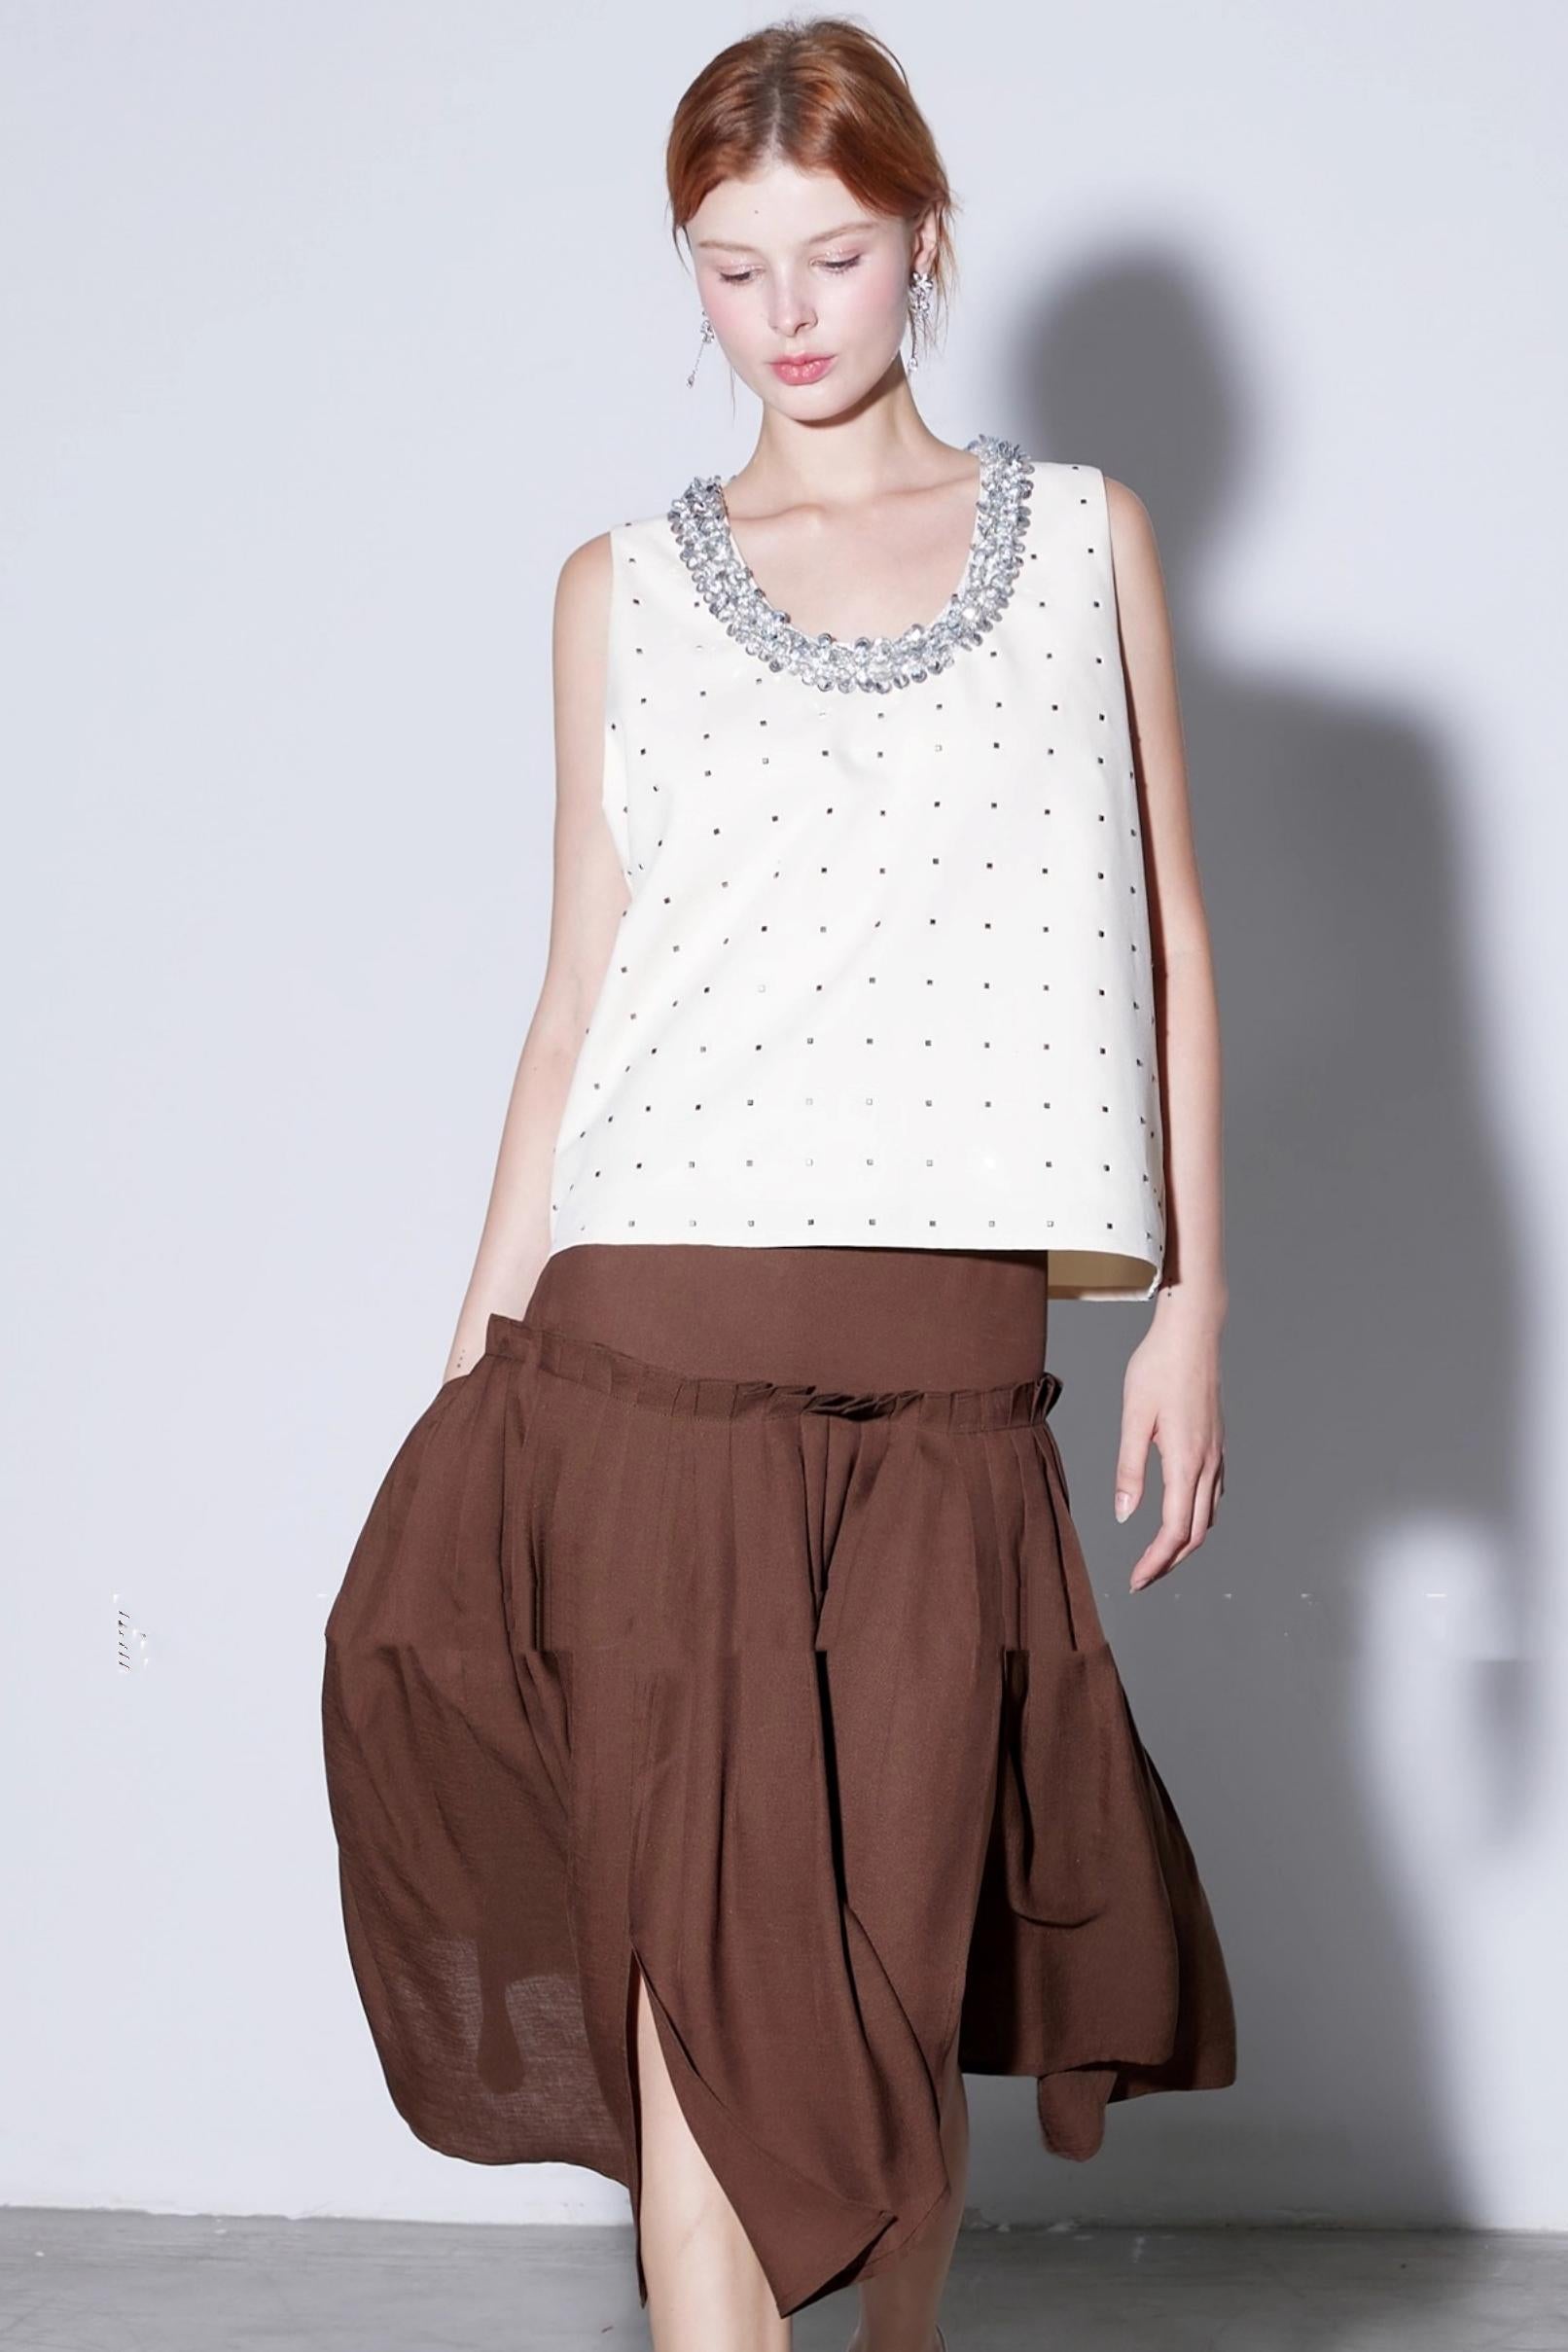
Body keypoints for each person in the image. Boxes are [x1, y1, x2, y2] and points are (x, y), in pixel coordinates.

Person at [321, 17, 1236, 2348]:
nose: (787, 312)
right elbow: (573, 1000)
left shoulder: (1083, 542)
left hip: (944, 1376)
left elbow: (1165, 935)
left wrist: (1191, 1307)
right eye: (731, 269)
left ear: (922, 237)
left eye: (830, 253)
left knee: (890, 1982)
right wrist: (472, 1369)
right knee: (687, 1977)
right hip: (643, 1352)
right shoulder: (618, 586)